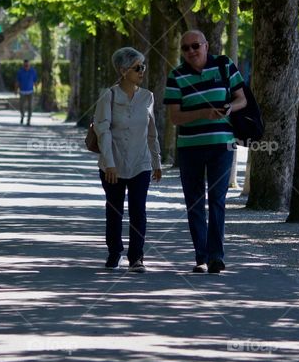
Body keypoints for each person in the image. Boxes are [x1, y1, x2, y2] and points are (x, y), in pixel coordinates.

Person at [165, 30, 247, 274]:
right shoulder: (176, 76)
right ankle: (201, 257)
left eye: (195, 46)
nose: (190, 51)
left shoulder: (224, 66)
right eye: (185, 48)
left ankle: (216, 257)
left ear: (206, 45)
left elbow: (242, 99)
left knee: (217, 200)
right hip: (189, 148)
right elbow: (174, 117)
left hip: (221, 146)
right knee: (195, 202)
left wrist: (230, 107)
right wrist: (203, 113)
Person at [95, 47, 162, 273]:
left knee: (138, 210)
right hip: (113, 163)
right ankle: (114, 251)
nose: (142, 71)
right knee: (114, 210)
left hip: (140, 163)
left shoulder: (148, 97)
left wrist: (157, 162)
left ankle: (137, 257)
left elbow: (152, 132)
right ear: (124, 71)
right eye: (137, 67)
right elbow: (102, 131)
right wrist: (109, 162)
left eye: (143, 66)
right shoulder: (109, 96)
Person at [15, 59, 38, 125]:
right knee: (21, 106)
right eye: (25, 65)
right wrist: (16, 90)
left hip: (30, 91)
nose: (26, 67)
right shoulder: (20, 72)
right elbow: (17, 82)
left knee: (30, 106)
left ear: (29, 65)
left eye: (27, 65)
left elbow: (35, 81)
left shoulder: (33, 71)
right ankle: (22, 116)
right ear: (23, 65)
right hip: (22, 91)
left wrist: (36, 90)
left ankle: (28, 120)